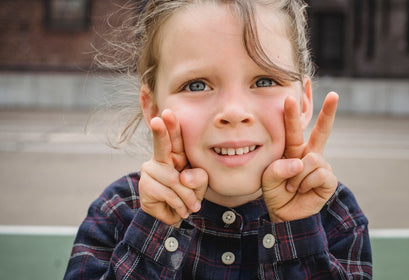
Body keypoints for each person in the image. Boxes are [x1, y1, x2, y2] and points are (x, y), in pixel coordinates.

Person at [65, 0, 372, 279]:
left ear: (304, 102)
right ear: (153, 107)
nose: (234, 112)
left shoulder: (334, 214)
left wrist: (298, 229)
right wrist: (153, 230)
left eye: (264, 81)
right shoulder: (120, 210)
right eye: (197, 85)